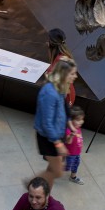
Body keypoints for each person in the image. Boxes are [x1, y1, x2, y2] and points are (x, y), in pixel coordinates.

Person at [33, 57, 78, 190]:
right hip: (48, 138)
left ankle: (44, 196)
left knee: (52, 169)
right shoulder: (49, 92)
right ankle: (32, 184)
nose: (75, 77)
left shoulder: (60, 88)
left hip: (57, 134)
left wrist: (69, 123)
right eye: (72, 73)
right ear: (63, 74)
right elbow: (47, 123)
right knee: (57, 171)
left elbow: (63, 107)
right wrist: (58, 144)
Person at [65, 105, 85, 184]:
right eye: (78, 120)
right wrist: (72, 135)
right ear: (70, 120)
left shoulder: (78, 128)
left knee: (76, 164)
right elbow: (68, 142)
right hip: (70, 154)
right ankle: (55, 170)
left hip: (77, 152)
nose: (81, 121)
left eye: (82, 119)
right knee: (67, 166)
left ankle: (73, 177)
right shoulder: (68, 130)